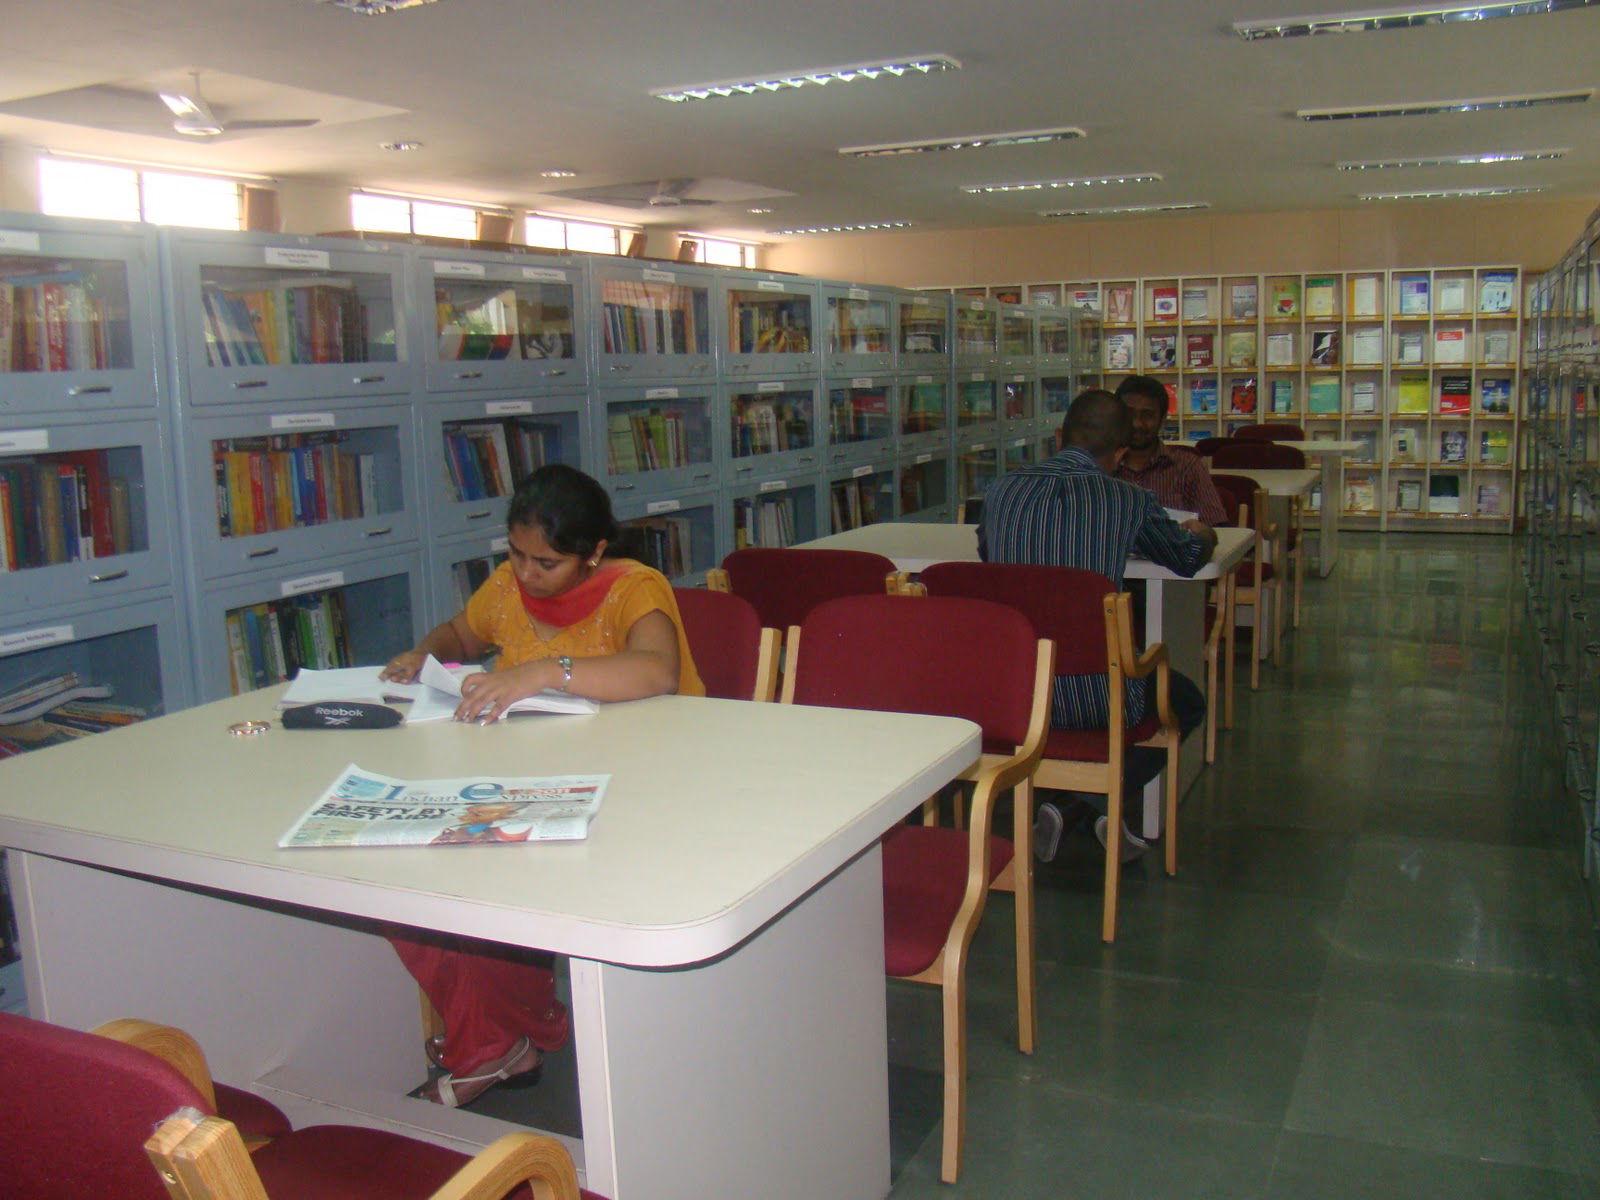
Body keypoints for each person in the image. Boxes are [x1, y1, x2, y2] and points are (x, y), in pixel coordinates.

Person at [379, 463, 705, 1107]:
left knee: (484, 879)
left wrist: (537, 675)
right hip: (531, 783)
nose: (527, 574)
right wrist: (426, 654)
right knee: (410, 876)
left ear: (595, 554)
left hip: (642, 792)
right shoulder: (506, 588)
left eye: (547, 562)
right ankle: (503, 1037)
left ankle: (498, 1039)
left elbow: (657, 670)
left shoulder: (634, 588)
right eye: (517, 555)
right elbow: (459, 634)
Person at [979, 388, 1216, 863]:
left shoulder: (1000, 490)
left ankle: (1065, 802)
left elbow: (990, 557)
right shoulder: (1126, 497)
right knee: (1186, 701)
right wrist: (1203, 533)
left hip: (1015, 694)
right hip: (1097, 700)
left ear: (1058, 436)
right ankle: (1091, 799)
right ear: (1121, 451)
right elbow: (1188, 560)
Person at [1112, 374, 1229, 526]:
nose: (1137, 424)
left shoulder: (1187, 466)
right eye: (1128, 414)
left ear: (1162, 419)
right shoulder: (1099, 465)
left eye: (1147, 415)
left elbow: (1216, 527)